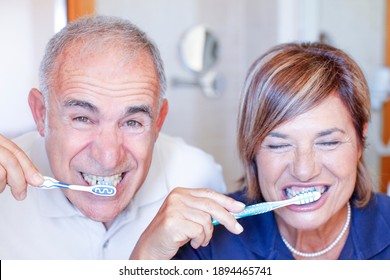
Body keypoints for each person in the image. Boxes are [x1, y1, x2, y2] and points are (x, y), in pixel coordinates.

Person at [130, 42, 390, 260]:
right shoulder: (208, 246)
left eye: (328, 142)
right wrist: (146, 257)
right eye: (279, 145)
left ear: (360, 140)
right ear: (251, 149)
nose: (303, 170)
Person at [0, 15, 227, 259]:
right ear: (41, 113)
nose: (108, 158)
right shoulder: (4, 200)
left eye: (132, 122)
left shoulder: (199, 178)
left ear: (158, 121)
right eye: (82, 119)